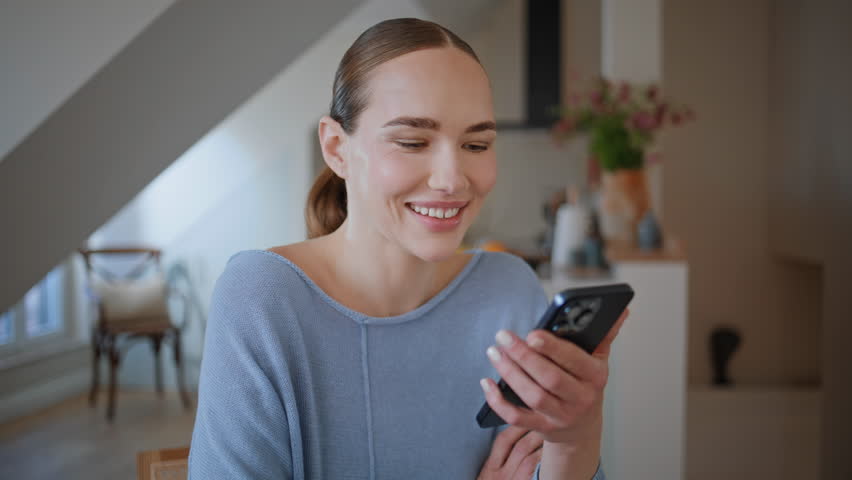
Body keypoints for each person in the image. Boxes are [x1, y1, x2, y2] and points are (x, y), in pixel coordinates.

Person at [188, 17, 626, 480]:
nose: (451, 179)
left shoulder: (509, 289)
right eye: (412, 142)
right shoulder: (261, 299)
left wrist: (575, 435)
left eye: (476, 144)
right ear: (336, 148)